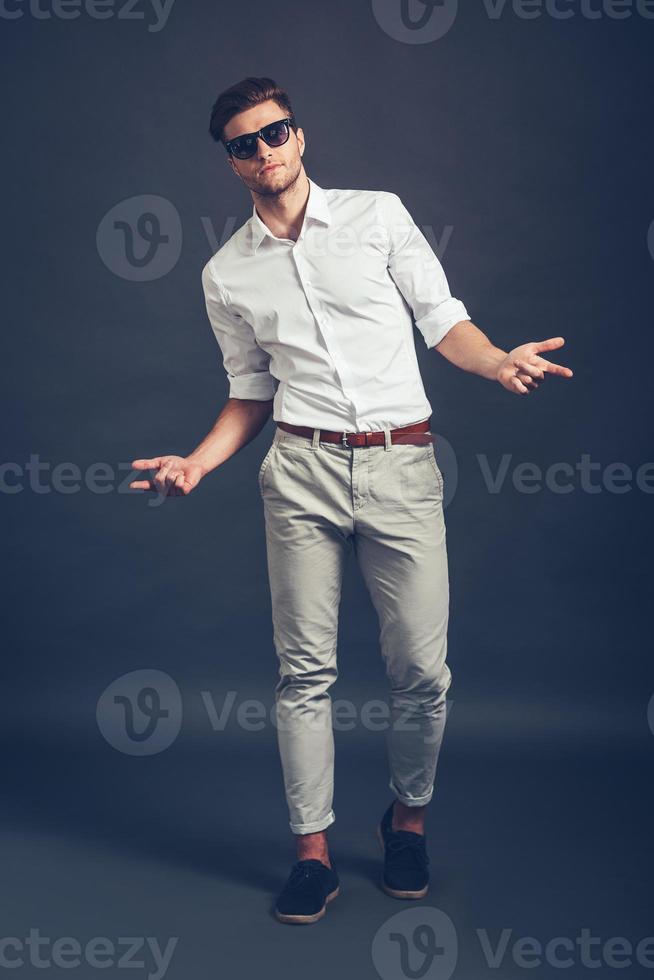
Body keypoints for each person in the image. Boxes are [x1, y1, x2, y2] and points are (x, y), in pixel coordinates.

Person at [130, 76, 573, 925]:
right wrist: (195, 463)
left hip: (402, 468)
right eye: (244, 144)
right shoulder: (225, 273)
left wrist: (496, 360)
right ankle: (311, 855)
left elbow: (444, 322)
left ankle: (406, 824)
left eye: (277, 132)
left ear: (301, 135)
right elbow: (249, 391)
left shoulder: (380, 216)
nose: (266, 151)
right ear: (230, 163)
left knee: (421, 672)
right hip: (299, 473)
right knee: (304, 673)